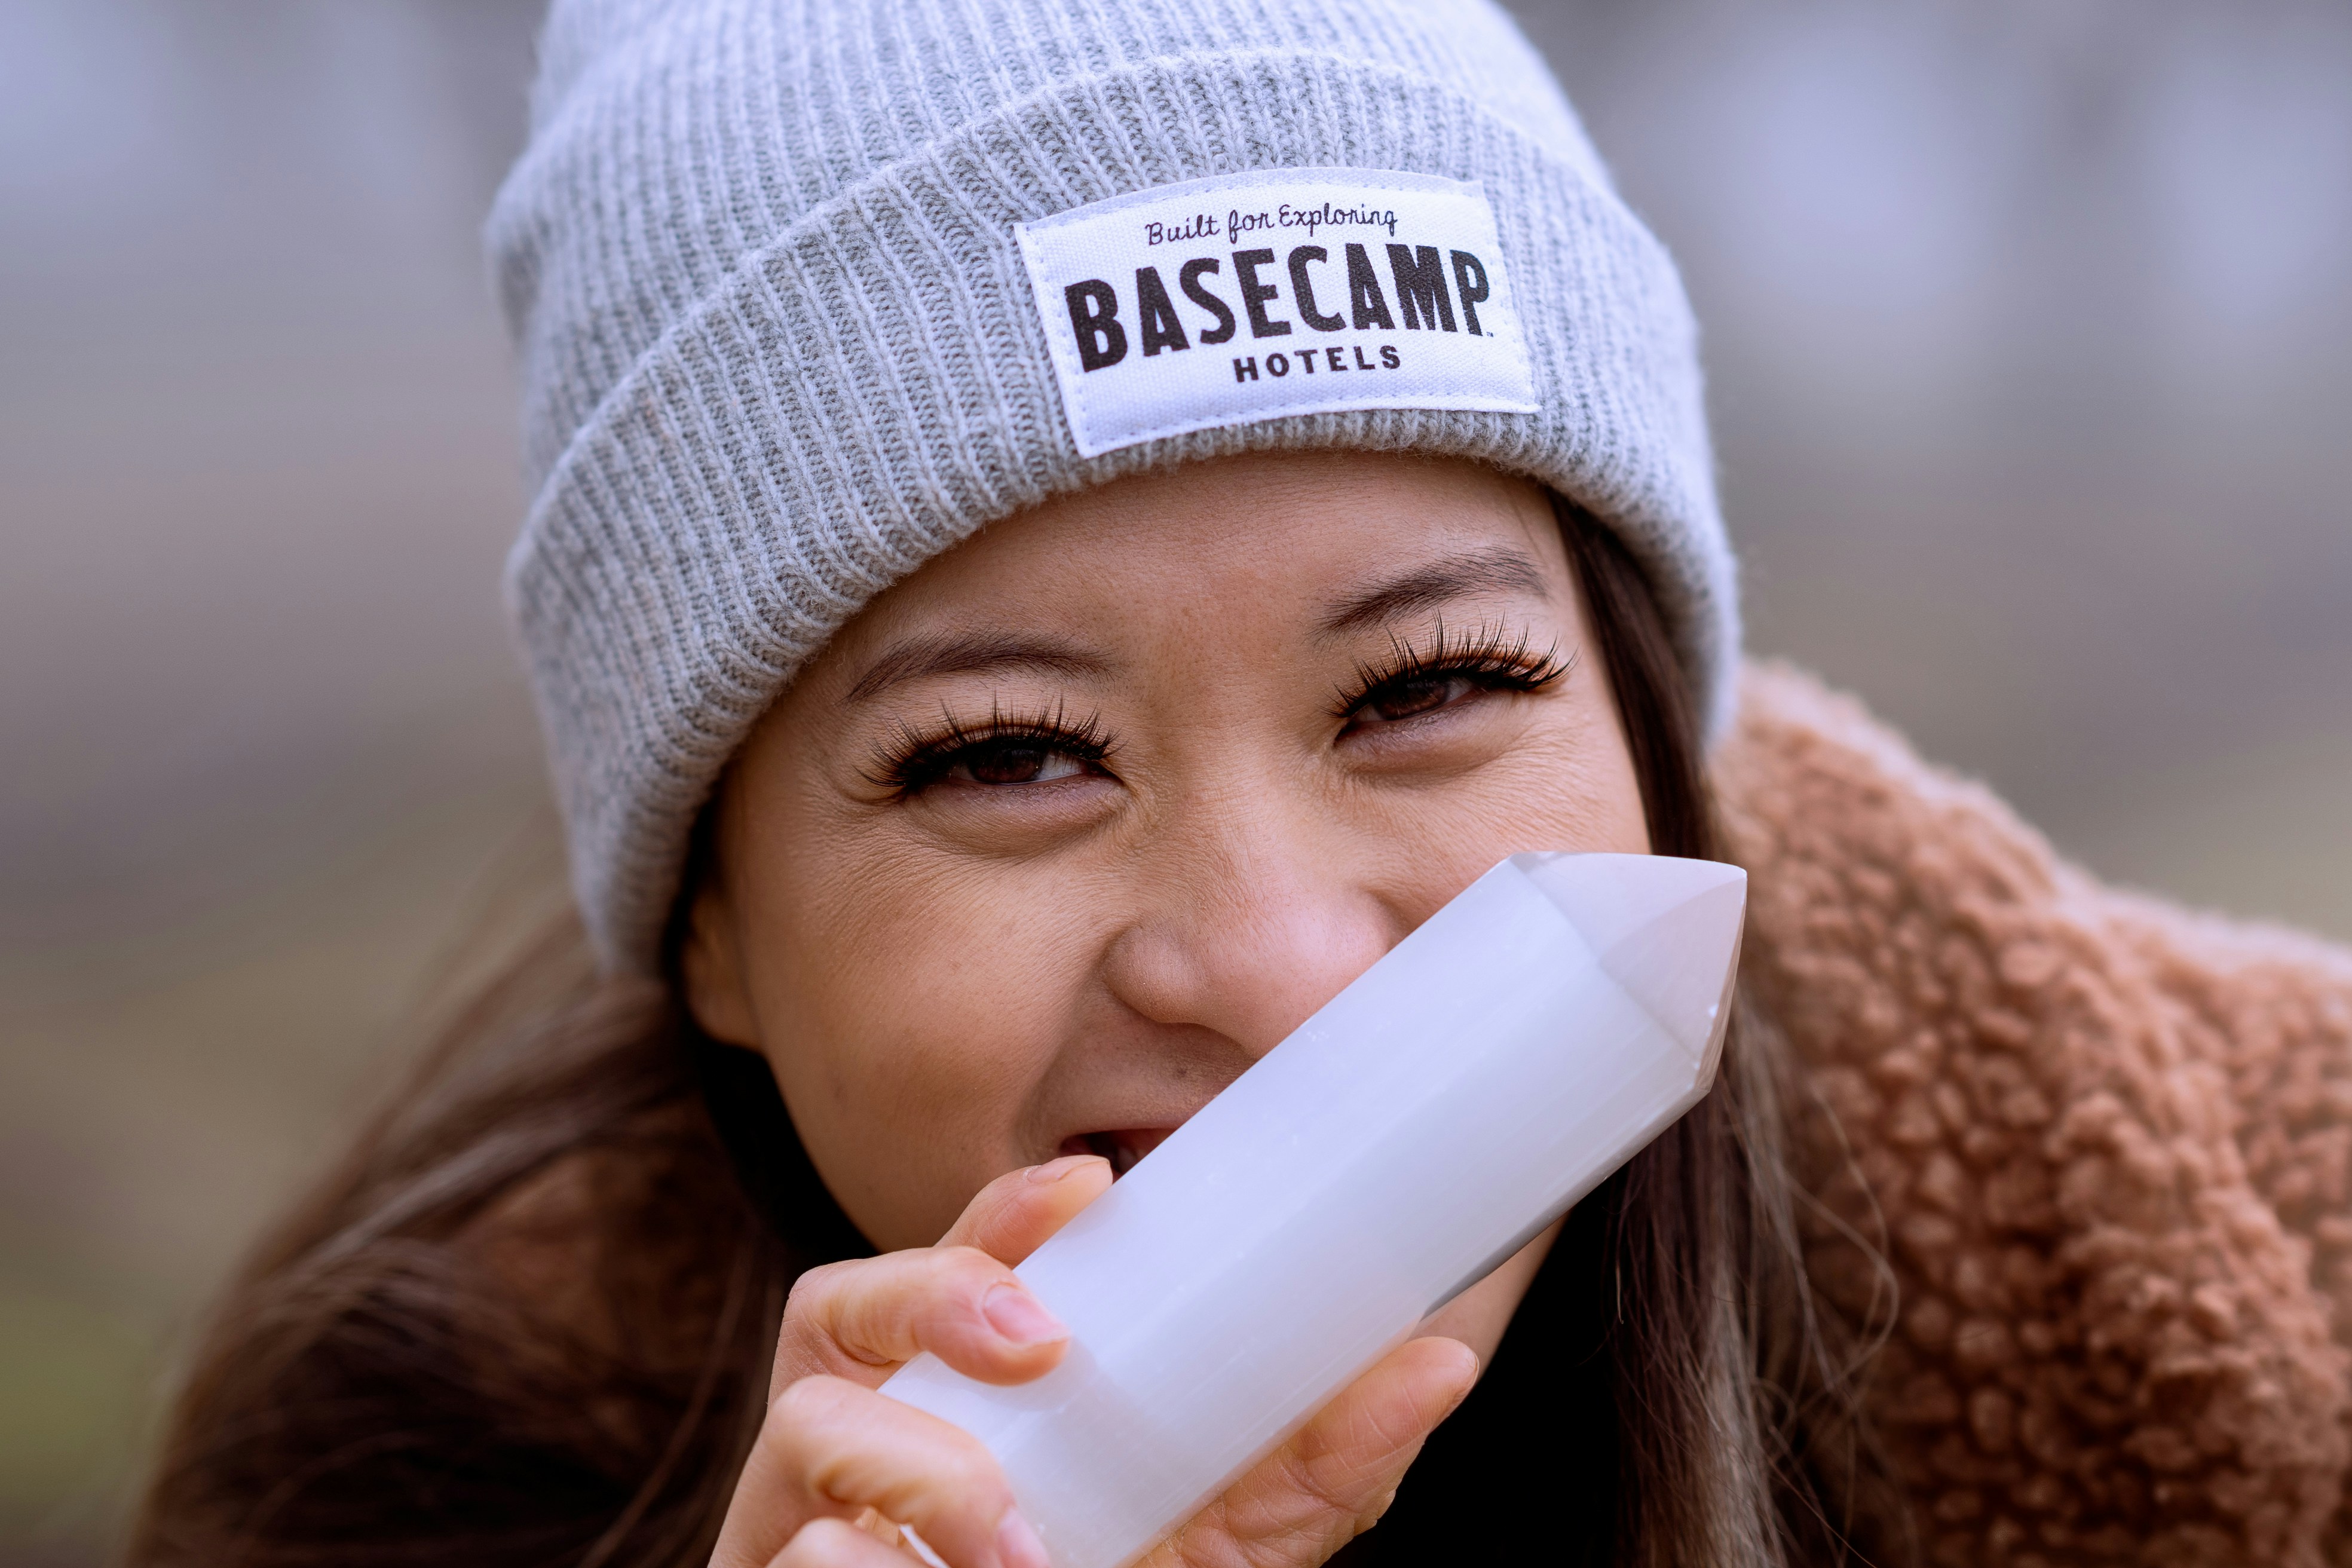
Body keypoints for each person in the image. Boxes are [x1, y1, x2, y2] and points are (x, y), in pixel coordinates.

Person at [129, 1, 2352, 1564]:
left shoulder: (2282, 1323)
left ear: (1656, 742)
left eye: (1426, 690)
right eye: (1004, 754)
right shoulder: (428, 1464)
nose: (1286, 970)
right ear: (711, 926)